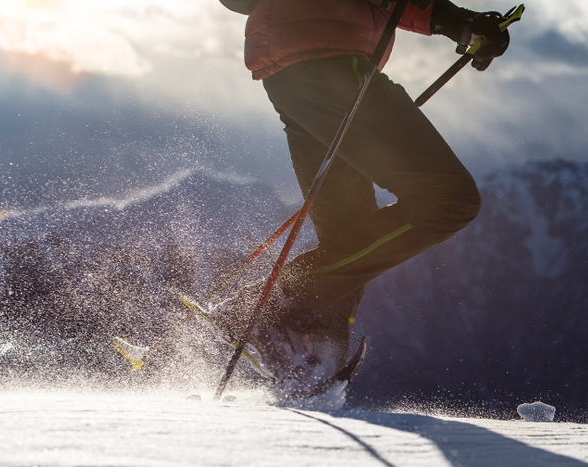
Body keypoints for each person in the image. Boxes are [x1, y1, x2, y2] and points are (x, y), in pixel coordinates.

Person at [214, 0, 510, 386]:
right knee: (448, 199)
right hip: (331, 62)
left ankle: (311, 355)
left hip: (292, 68)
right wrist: (459, 21)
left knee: (351, 234)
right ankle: (270, 307)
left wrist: (461, 24)